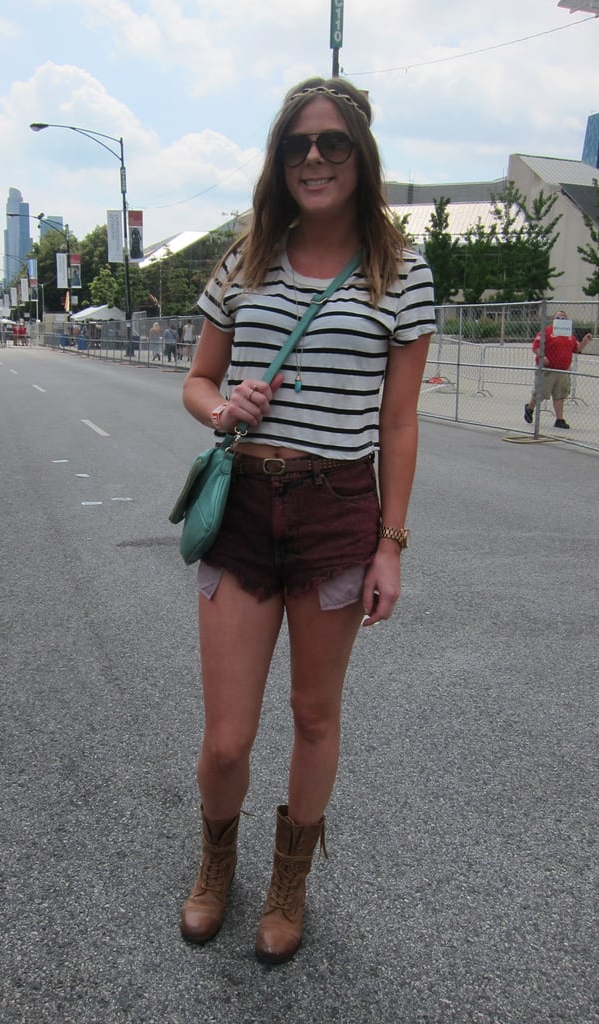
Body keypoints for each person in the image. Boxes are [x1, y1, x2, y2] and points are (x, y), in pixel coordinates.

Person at [179, 77, 435, 964]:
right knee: (226, 737)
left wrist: (390, 544)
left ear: (360, 156)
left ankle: (289, 882)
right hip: (244, 507)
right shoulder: (247, 256)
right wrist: (224, 407)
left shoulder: (399, 270)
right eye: (298, 145)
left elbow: (398, 422)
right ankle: (217, 862)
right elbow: (195, 382)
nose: (314, 159)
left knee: (315, 716)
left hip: (335, 513)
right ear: (278, 161)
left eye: (332, 144)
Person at [524, 310, 592, 429]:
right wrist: (542, 356)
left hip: (563, 370)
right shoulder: (547, 331)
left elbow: (576, 349)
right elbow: (536, 346)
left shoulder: (569, 334)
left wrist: (585, 342)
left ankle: (559, 419)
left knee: (560, 395)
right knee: (540, 393)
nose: (560, 320)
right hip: (547, 369)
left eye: (563, 318)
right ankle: (530, 408)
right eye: (558, 318)